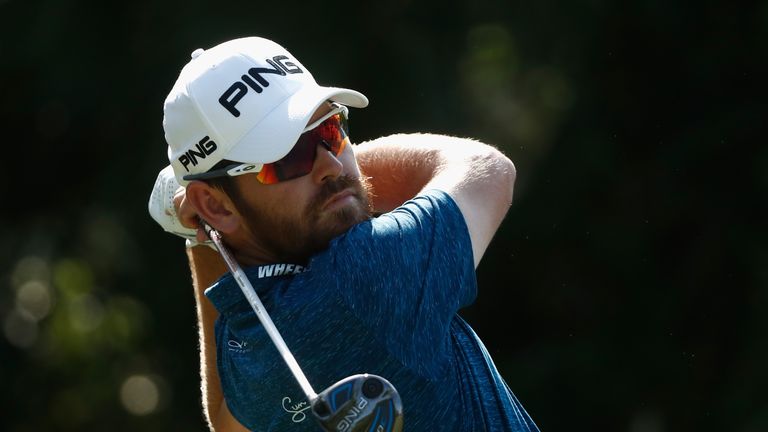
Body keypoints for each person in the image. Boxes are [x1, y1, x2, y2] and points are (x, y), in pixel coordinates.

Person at [149, 36, 540, 432]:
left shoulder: (249, 343)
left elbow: (224, 421)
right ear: (216, 205)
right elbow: (486, 168)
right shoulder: (366, 277)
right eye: (288, 156)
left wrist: (202, 232)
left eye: (330, 130)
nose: (332, 166)